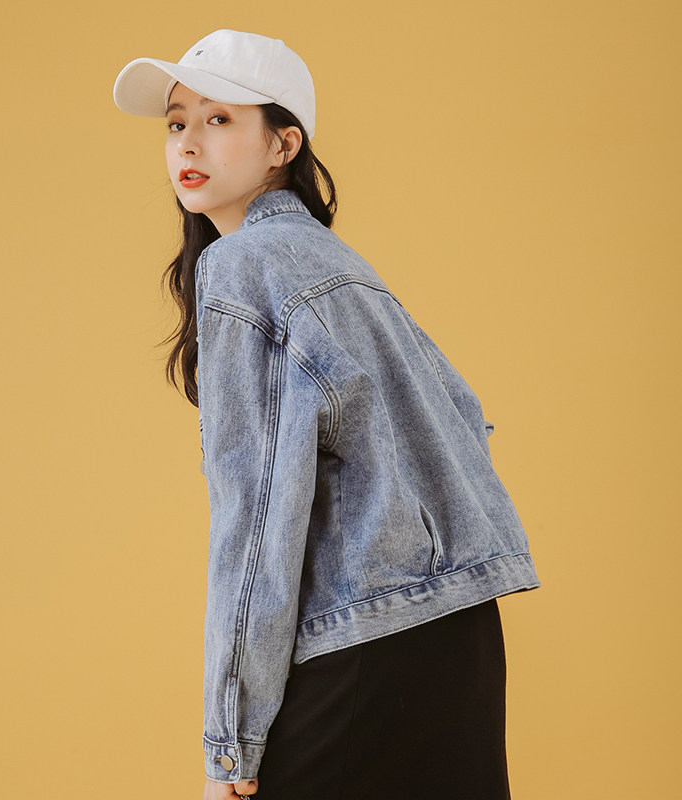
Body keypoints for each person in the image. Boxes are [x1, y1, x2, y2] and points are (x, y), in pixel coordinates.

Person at [113, 29, 540, 800]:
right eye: (177, 123)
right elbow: (462, 419)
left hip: (359, 643)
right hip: (461, 637)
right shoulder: (345, 268)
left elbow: (256, 520)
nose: (188, 144)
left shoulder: (244, 264)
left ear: (284, 145)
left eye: (219, 119)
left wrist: (230, 745)